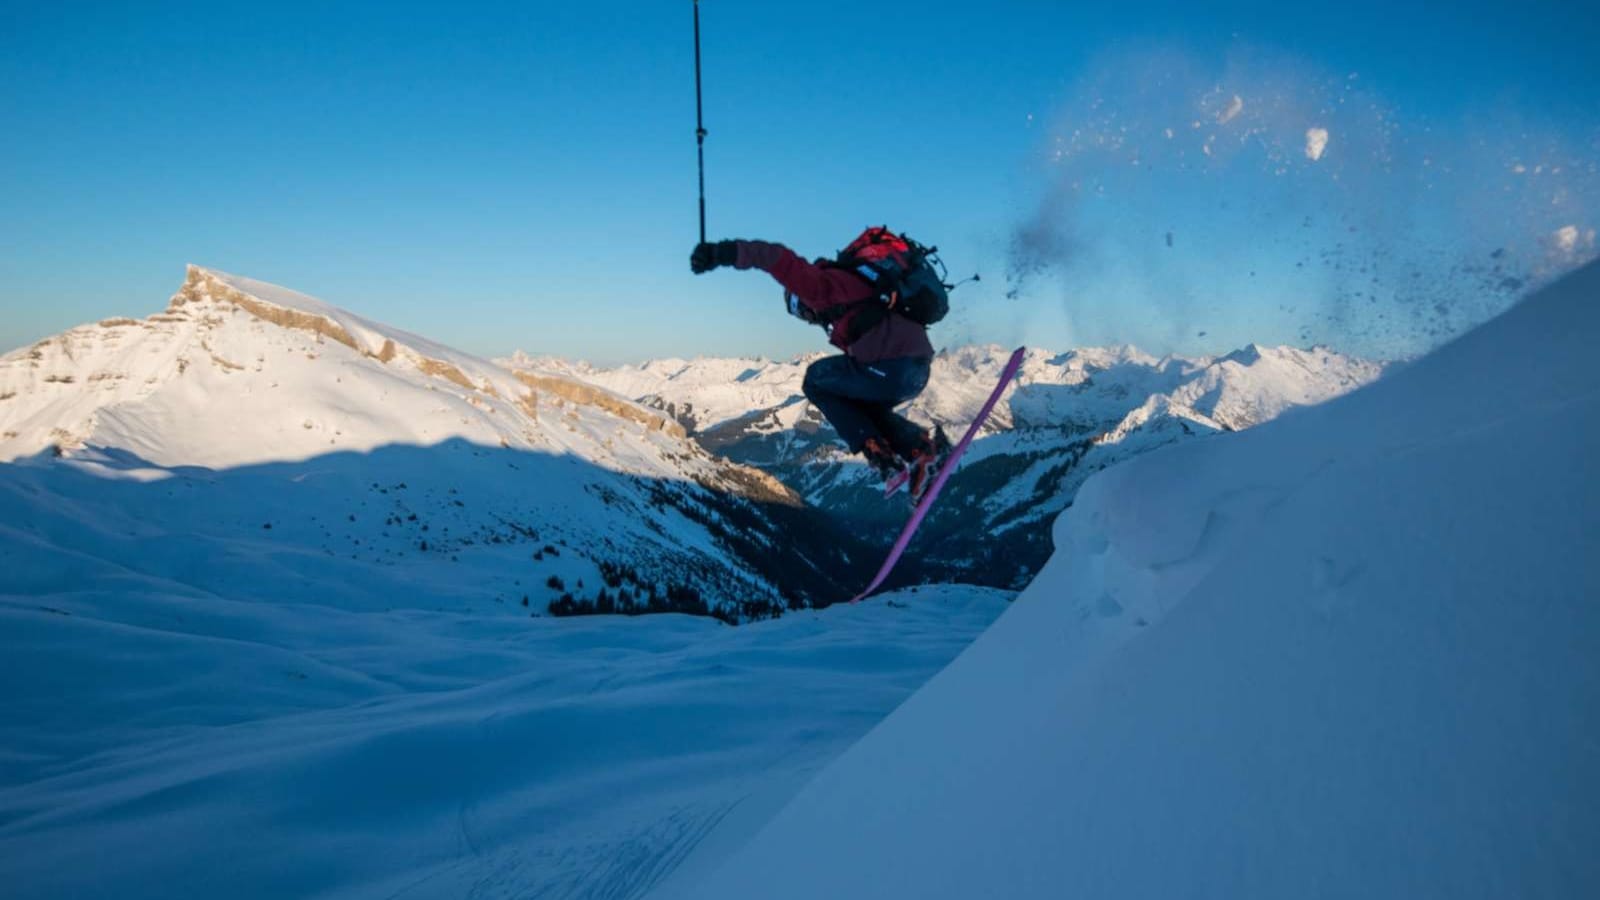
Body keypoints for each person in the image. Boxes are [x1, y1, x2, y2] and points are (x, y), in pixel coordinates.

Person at [690, 229, 950, 496]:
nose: (809, 317)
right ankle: (922, 450)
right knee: (858, 405)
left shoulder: (821, 287)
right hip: (916, 369)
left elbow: (775, 257)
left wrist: (722, 253)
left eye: (801, 311)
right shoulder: (861, 288)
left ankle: (880, 454)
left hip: (893, 366)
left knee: (815, 381)